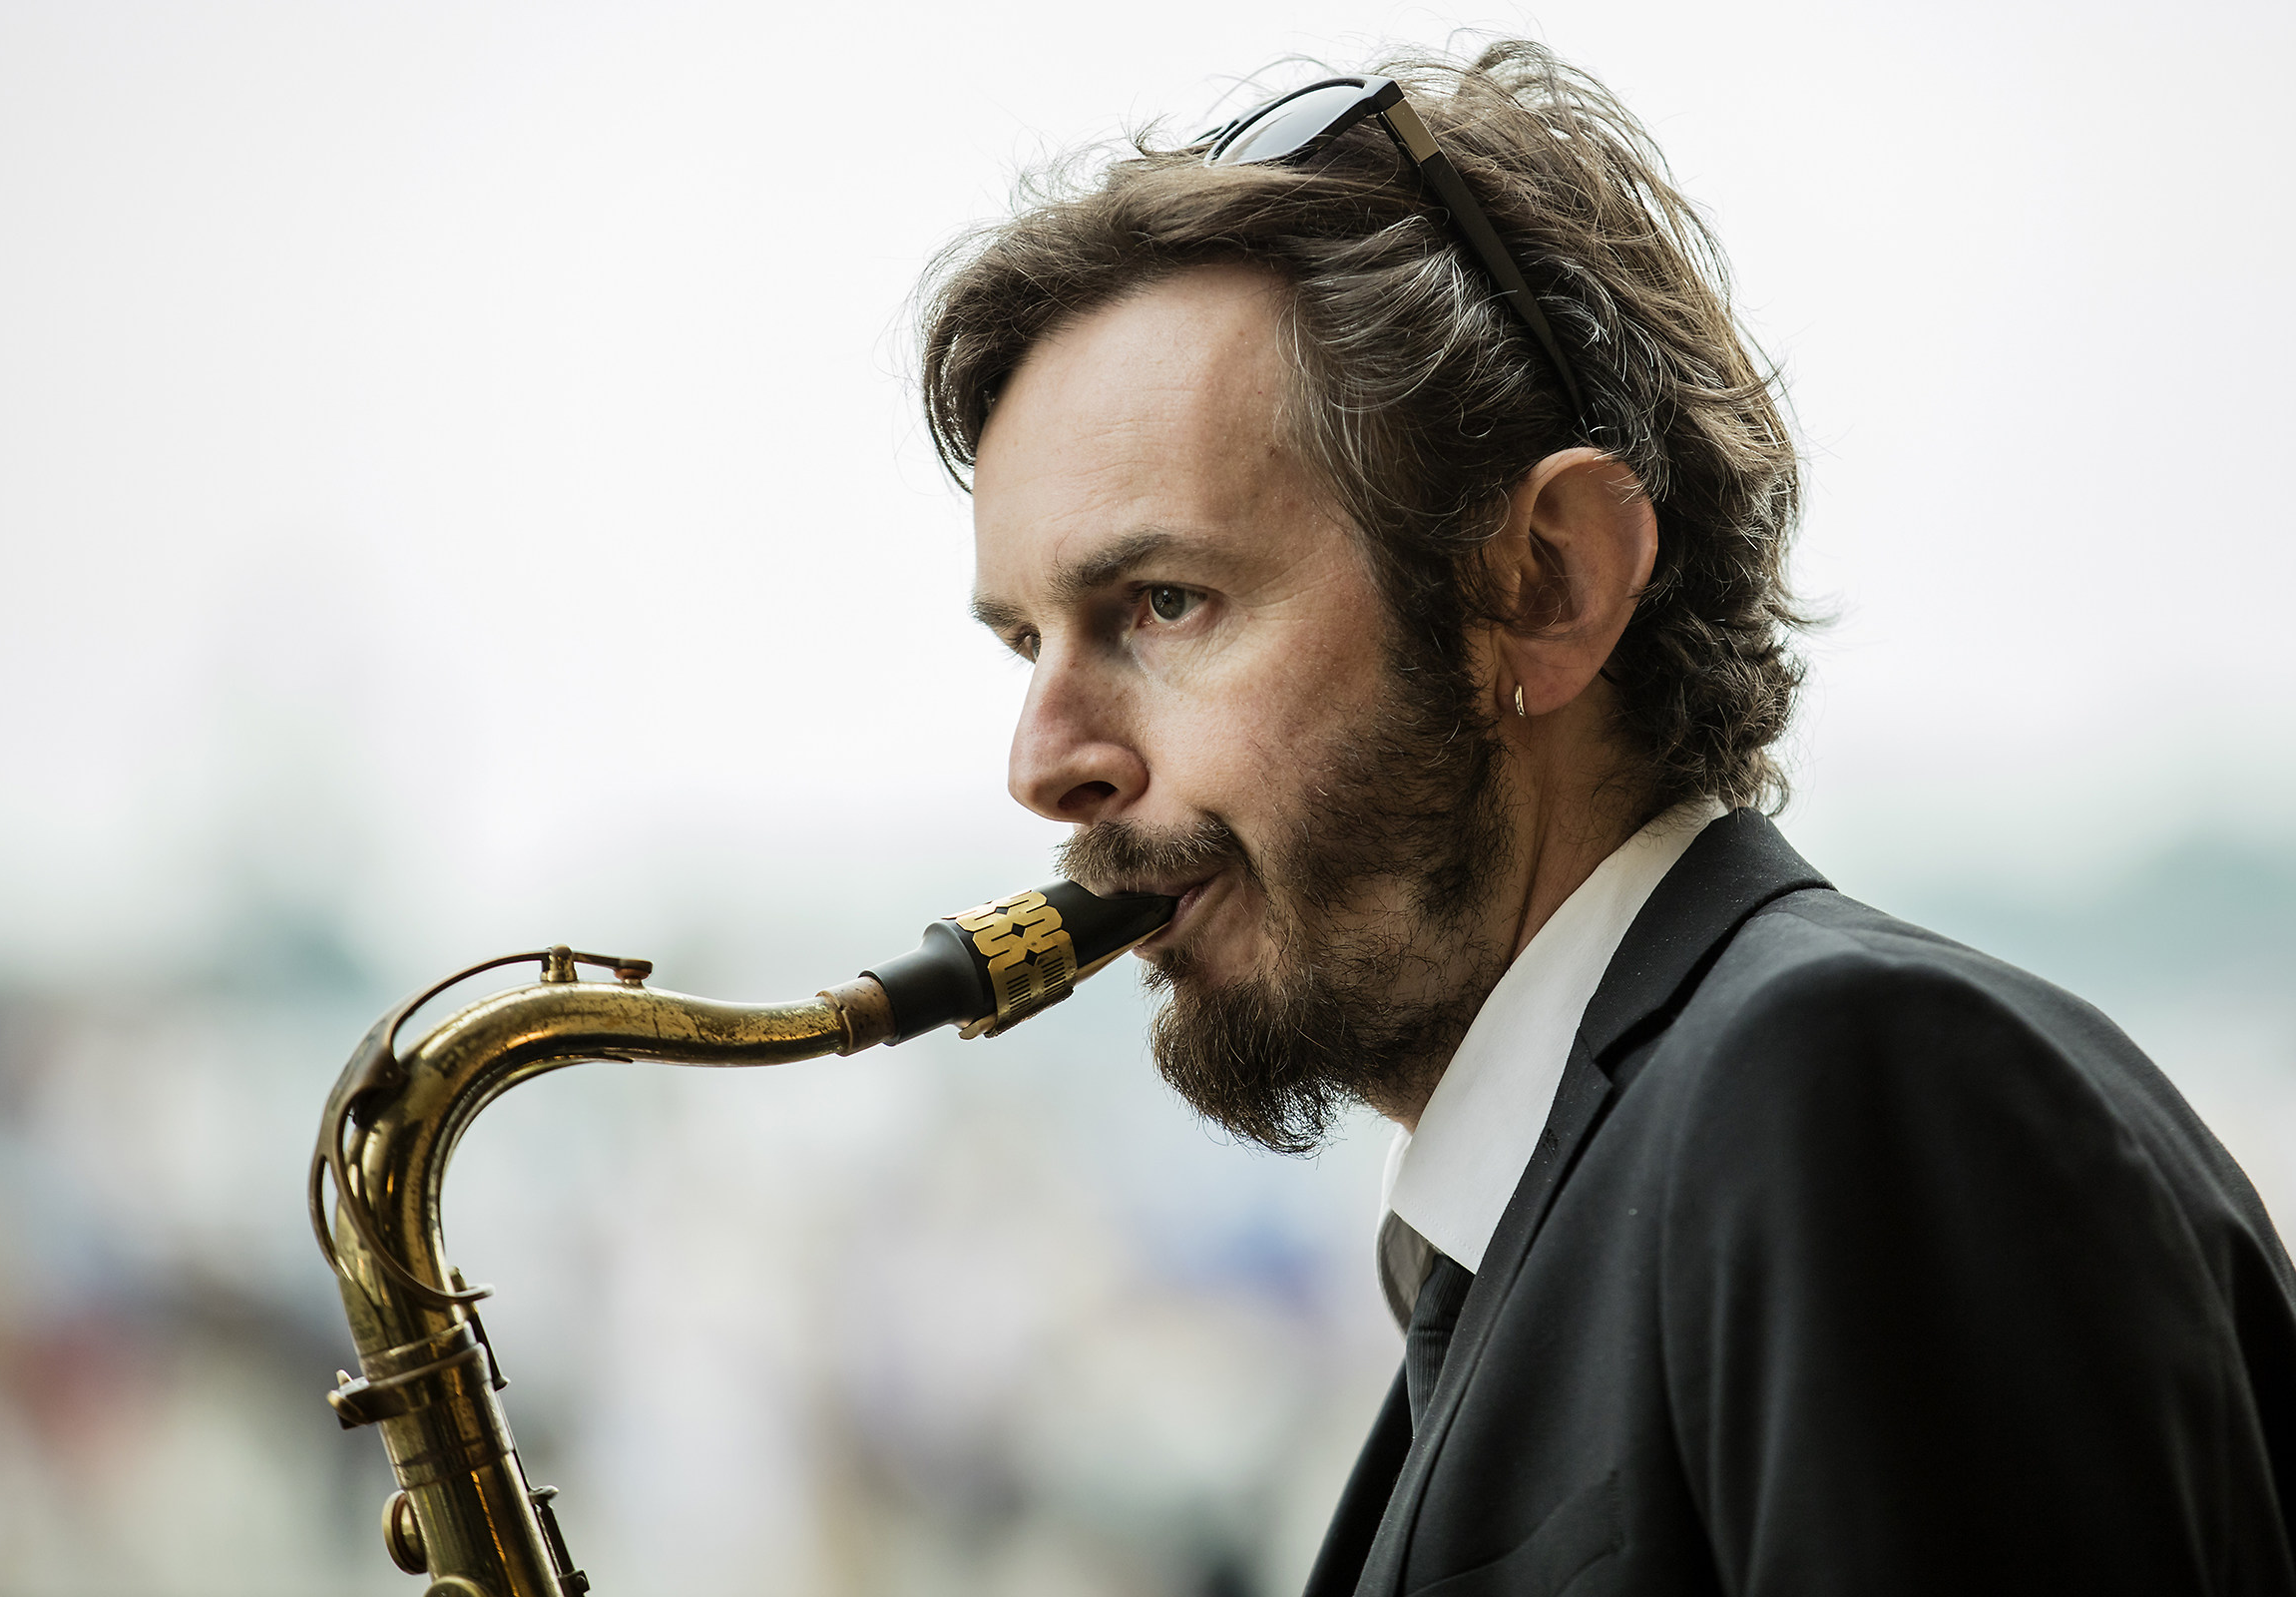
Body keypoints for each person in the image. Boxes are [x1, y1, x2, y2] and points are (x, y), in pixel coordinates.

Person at [916, 39, 2296, 1596]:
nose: (1045, 762)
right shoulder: (1561, 1206)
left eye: (1164, 603)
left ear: (1549, 584)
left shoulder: (1847, 1083)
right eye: (1030, 642)